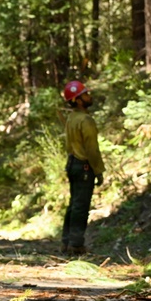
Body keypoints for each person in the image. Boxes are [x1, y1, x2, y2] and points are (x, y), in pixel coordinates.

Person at [60, 80, 105, 256]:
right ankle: (76, 246)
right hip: (83, 166)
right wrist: (98, 170)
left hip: (72, 164)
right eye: (85, 94)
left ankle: (66, 242)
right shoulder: (86, 121)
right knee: (80, 205)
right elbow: (92, 149)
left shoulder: (71, 118)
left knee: (73, 204)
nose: (89, 96)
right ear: (78, 100)